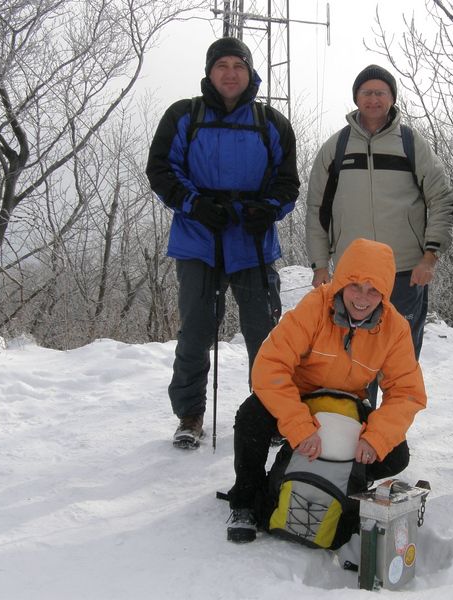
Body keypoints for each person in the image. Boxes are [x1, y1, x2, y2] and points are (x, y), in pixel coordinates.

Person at [146, 37, 300, 449]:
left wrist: (267, 208)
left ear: (250, 73)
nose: (230, 73)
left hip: (252, 242)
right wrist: (194, 204)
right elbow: (161, 169)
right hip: (199, 240)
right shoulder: (183, 115)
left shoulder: (272, 123)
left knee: (265, 336)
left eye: (239, 65)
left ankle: (266, 413)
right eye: (222, 65)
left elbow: (287, 183)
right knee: (195, 332)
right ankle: (190, 414)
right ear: (210, 72)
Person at [226, 238, 427, 543]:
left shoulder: (394, 328)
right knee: (252, 415)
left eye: (374, 290)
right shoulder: (315, 307)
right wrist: (298, 426)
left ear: (385, 294)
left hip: (347, 406)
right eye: (355, 286)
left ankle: (342, 483)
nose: (362, 298)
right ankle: (246, 499)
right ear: (341, 284)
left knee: (395, 454)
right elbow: (270, 365)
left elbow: (407, 392)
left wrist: (375, 438)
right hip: (302, 398)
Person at [304, 65, 453, 387]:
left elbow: (441, 199)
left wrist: (430, 256)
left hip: (403, 273)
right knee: (354, 361)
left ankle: (391, 433)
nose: (373, 99)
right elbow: (318, 209)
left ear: (392, 98)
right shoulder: (337, 147)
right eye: (367, 92)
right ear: (357, 98)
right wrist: (320, 265)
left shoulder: (412, 144)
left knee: (401, 359)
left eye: (381, 92)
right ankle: (357, 428)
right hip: (352, 277)